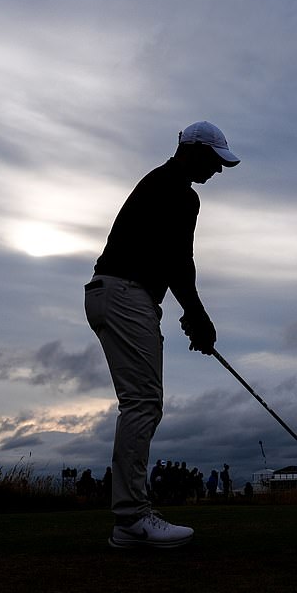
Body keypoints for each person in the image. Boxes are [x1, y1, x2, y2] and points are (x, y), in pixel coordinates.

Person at [84, 121, 240, 548]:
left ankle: (130, 519)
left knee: (140, 402)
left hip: (114, 293)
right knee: (143, 403)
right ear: (191, 150)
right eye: (214, 161)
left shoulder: (159, 182)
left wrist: (191, 315)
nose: (219, 171)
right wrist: (199, 318)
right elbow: (179, 262)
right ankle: (132, 519)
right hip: (125, 293)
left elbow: (170, 264)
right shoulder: (180, 192)